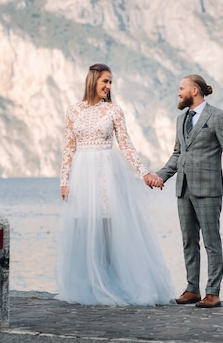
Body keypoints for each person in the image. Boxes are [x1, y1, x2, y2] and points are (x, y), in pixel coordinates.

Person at [55, 63, 175, 306]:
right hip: (81, 173)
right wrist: (64, 181)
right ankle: (88, 282)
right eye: (105, 82)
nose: (108, 87)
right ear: (93, 82)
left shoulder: (113, 111)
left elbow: (126, 145)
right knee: (83, 226)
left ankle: (110, 281)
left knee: (107, 226)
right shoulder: (73, 111)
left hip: (106, 172)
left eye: (111, 83)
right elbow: (68, 147)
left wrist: (143, 172)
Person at [146, 74, 223, 309]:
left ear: (195, 90)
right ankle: (192, 289)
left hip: (209, 189)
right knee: (189, 241)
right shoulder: (181, 119)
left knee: (211, 242)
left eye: (181, 88)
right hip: (183, 189)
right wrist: (160, 176)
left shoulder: (218, 116)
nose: (178, 93)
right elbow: (178, 155)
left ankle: (213, 292)